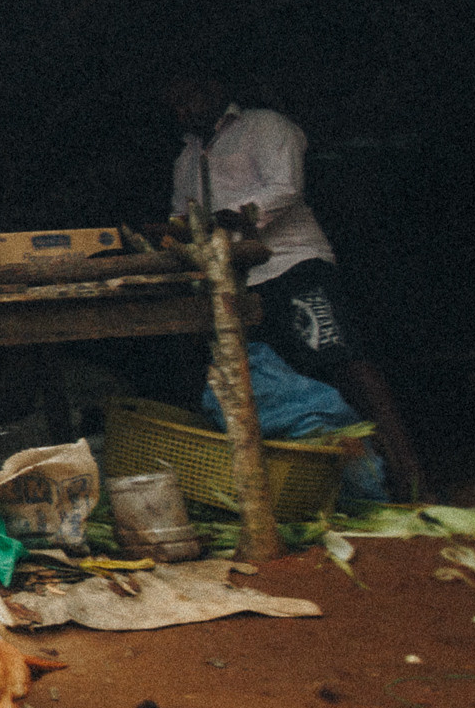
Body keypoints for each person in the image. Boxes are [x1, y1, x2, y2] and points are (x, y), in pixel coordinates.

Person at [164, 71, 421, 498]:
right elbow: (182, 215)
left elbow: (286, 188)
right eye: (174, 105)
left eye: (187, 97)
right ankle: (336, 490)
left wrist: (231, 216)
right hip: (240, 282)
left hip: (293, 264)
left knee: (346, 365)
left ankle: (412, 479)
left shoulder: (265, 126)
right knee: (274, 379)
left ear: (214, 90)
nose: (182, 110)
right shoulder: (185, 160)